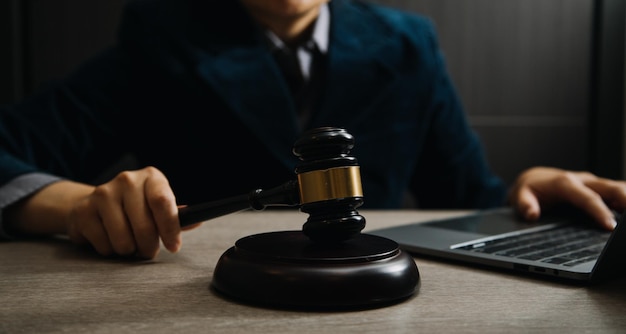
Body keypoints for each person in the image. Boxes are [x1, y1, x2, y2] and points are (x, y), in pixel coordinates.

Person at [0, 0, 624, 260]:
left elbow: (467, 193)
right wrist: (78, 204)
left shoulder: (408, 46)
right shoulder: (158, 41)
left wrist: (529, 190)